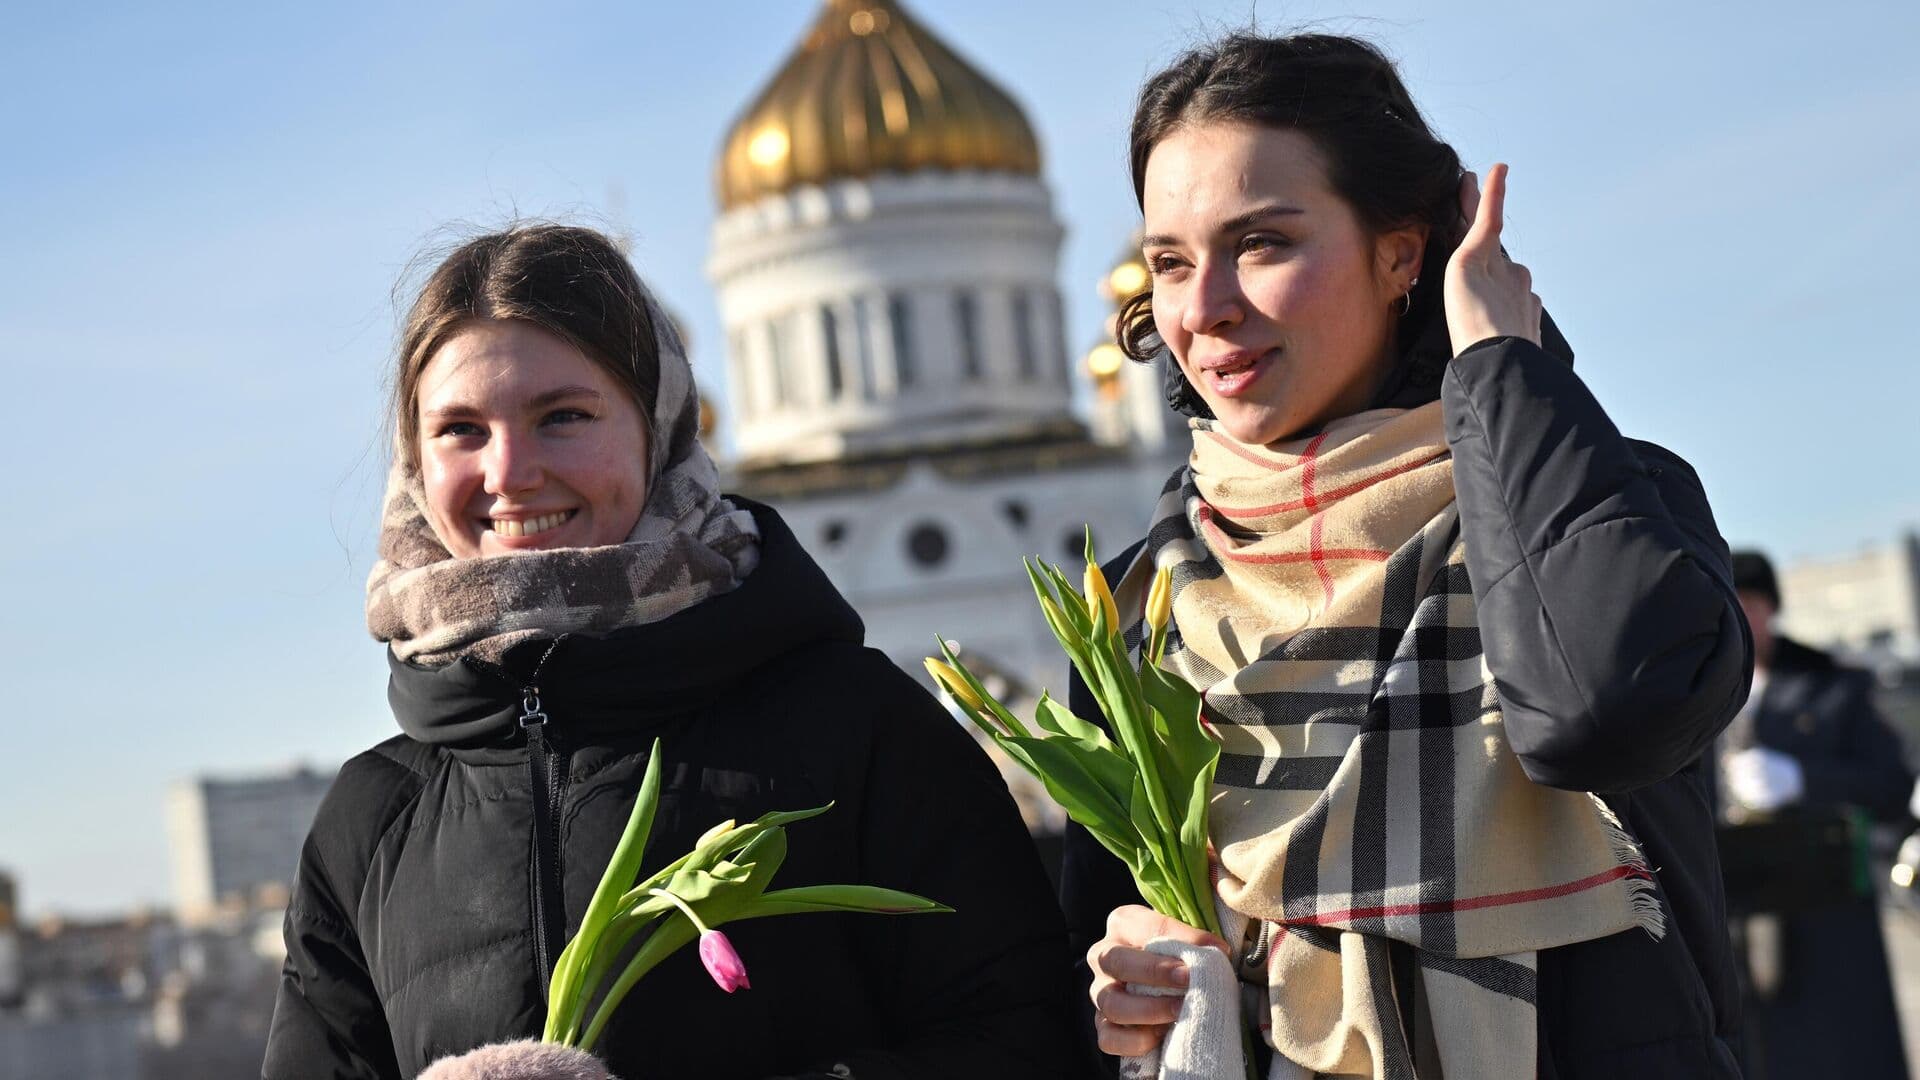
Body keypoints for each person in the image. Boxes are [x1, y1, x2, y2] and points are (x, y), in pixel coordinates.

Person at [1060, 34, 1753, 1080]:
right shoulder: (1142, 600)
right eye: (1169, 261)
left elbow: (1607, 712)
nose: (1204, 310)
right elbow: (1083, 951)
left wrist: (1503, 369)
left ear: (1402, 252)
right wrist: (1129, 976)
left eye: (1261, 243)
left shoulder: (1608, 495)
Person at [262, 224, 1084, 1079]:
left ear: (656, 426)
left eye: (564, 416)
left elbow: (1027, 1041)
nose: (510, 472)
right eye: (461, 429)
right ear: (414, 461)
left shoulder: (857, 730)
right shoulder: (370, 822)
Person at [1717, 550, 1912, 1079]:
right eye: (1726, 601)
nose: (1738, 614)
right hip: (1736, 912)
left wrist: (1805, 778)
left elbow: (1892, 785)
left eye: (1750, 602)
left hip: (1826, 913)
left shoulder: (1833, 685)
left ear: (1771, 608)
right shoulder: (1699, 696)